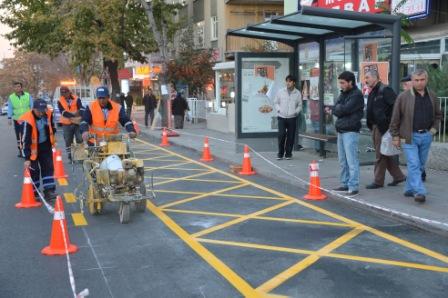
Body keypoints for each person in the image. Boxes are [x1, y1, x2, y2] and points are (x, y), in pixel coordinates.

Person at [389, 69, 442, 203]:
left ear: (426, 80)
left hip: (426, 136)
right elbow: (395, 118)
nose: (419, 83)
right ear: (412, 81)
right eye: (416, 80)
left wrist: (433, 131)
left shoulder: (433, 96)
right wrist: (395, 136)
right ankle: (420, 191)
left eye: (422, 80)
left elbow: (438, 116)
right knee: (414, 163)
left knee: (420, 165)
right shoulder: (403, 97)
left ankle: (409, 189)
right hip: (408, 136)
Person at [365, 70, 406, 189]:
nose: (366, 80)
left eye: (367, 77)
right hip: (375, 127)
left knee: (380, 155)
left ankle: (378, 181)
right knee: (384, 153)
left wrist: (389, 123)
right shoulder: (374, 90)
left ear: (375, 77)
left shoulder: (385, 90)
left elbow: (396, 107)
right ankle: (399, 176)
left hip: (383, 128)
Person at [325, 71, 364, 196]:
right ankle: (345, 183)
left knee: (351, 160)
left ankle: (353, 186)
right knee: (343, 160)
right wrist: (338, 109)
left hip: (351, 130)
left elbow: (343, 109)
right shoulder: (343, 94)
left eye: (342, 83)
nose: (340, 85)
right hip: (341, 130)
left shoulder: (357, 95)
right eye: (339, 82)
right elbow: (336, 108)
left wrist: (337, 109)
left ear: (350, 82)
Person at [20, 99, 57, 201]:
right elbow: (25, 141)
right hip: (32, 150)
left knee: (48, 168)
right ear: (34, 109)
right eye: (39, 111)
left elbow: (51, 126)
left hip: (45, 146)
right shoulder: (28, 120)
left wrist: (52, 136)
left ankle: (49, 191)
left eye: (43, 110)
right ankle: (34, 193)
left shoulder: (48, 113)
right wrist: (26, 158)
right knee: (35, 170)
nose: (41, 113)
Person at [274, 74, 302, 160]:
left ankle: (288, 154)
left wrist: (295, 112)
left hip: (292, 117)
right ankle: (280, 153)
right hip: (281, 117)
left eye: (290, 81)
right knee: (281, 135)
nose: (288, 83)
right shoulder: (281, 91)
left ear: (294, 83)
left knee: (291, 136)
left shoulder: (297, 93)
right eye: (287, 81)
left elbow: (300, 105)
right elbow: (276, 102)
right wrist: (279, 110)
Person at [57, 86, 84, 161]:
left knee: (80, 138)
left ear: (69, 92)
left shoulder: (76, 98)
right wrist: (73, 115)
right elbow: (63, 112)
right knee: (68, 140)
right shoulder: (60, 101)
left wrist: (78, 114)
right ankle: (70, 156)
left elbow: (81, 108)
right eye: (62, 93)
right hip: (66, 124)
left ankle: (80, 156)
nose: (64, 94)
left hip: (76, 123)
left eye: (65, 92)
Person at [7, 82, 33, 158]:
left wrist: (32, 116)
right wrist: (9, 118)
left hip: (27, 119)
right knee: (19, 136)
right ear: (14, 88)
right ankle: (20, 150)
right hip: (17, 119)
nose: (17, 88)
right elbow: (10, 108)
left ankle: (29, 149)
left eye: (18, 86)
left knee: (28, 135)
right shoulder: (11, 97)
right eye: (15, 87)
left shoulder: (28, 95)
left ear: (21, 88)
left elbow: (32, 106)